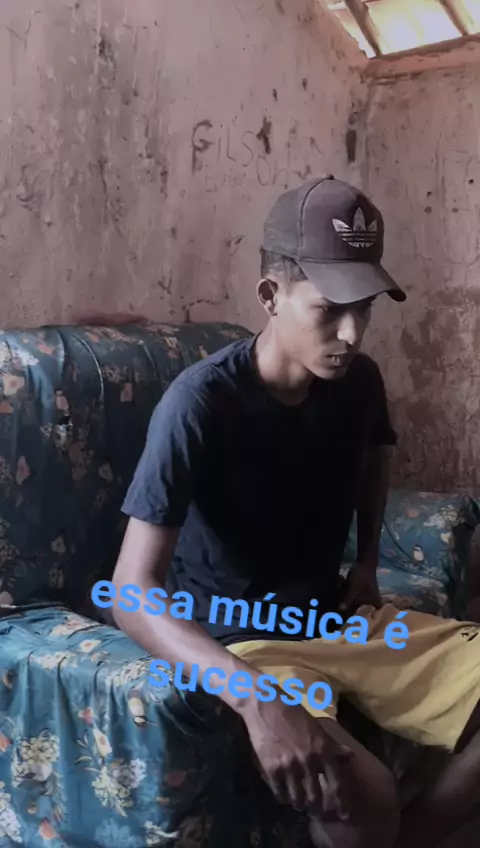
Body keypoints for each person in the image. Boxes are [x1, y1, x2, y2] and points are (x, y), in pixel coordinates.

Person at [112, 176, 480, 848]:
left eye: (364, 308)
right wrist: (254, 697)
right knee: (364, 795)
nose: (351, 332)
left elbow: (375, 455)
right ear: (270, 296)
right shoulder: (198, 404)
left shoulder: (359, 381)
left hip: (334, 618)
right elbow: (131, 593)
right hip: (245, 638)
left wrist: (366, 562)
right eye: (329, 309)